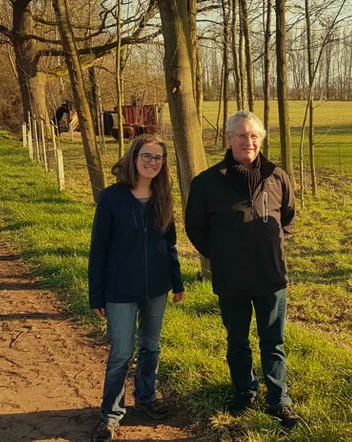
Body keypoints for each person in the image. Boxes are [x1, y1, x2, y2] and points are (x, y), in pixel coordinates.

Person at [185, 110, 302, 429]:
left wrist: (270, 248)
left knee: (273, 342)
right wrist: (223, 254)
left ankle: (279, 400)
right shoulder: (208, 182)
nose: (248, 141)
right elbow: (195, 228)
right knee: (237, 340)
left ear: (260, 140)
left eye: (254, 136)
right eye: (241, 135)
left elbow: (288, 219)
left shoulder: (277, 176)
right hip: (231, 277)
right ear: (228, 139)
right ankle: (246, 392)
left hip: (272, 276)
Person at [88, 134, 185, 442]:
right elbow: (98, 249)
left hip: (157, 287)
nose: (152, 162)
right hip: (119, 290)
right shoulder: (111, 197)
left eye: (158, 158)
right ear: (133, 156)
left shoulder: (162, 194)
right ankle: (111, 414)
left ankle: (146, 398)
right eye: (147, 155)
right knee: (121, 353)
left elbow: (169, 243)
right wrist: (96, 293)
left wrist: (177, 281)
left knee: (151, 346)